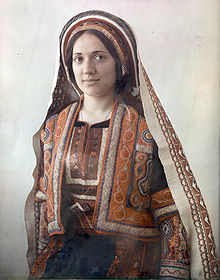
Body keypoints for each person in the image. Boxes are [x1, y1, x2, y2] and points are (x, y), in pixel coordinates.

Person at [25, 10, 219, 279]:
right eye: (78, 59)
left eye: (99, 57)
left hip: (131, 262)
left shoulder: (145, 133)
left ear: (121, 64)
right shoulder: (53, 128)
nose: (87, 69)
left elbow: (169, 212)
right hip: (63, 262)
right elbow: (43, 206)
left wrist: (172, 273)